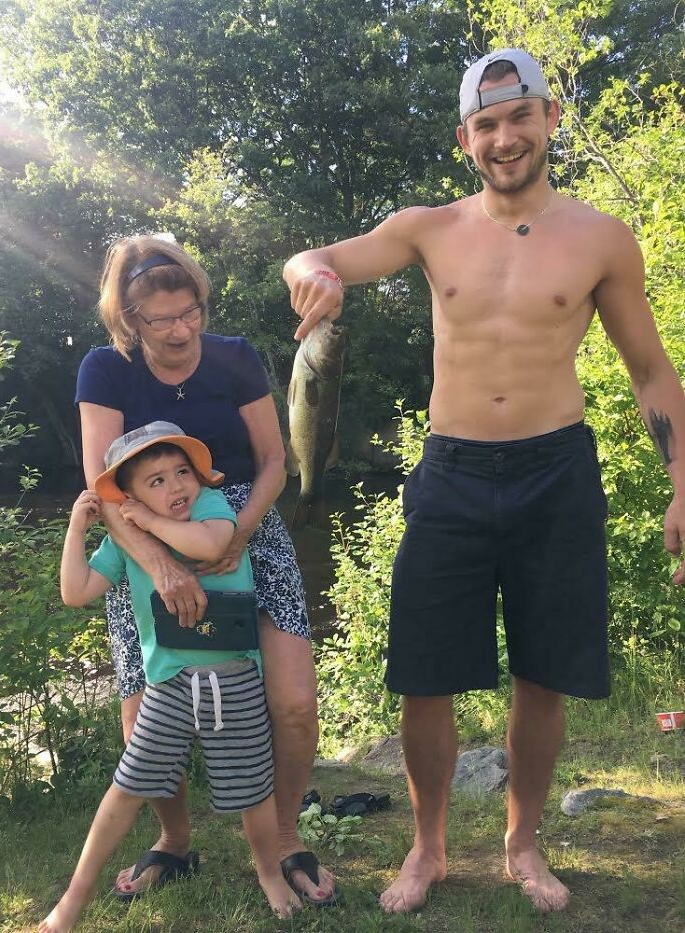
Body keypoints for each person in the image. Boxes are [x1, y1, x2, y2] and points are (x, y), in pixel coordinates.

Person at [283, 48, 685, 914]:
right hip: (452, 471)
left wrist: (682, 478)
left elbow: (650, 370)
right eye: (486, 124)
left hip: (556, 469)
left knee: (544, 672)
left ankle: (522, 842)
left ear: (550, 118)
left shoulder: (602, 238)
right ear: (465, 139)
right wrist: (311, 274)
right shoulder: (427, 228)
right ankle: (427, 847)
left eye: (519, 117)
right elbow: (315, 256)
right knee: (425, 673)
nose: (505, 138)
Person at [75, 236, 337, 905]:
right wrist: (164, 564)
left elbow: (275, 460)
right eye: (162, 319)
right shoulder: (105, 369)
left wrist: (238, 534)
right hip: (143, 537)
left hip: (246, 523)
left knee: (294, 703)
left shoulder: (236, 356)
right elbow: (102, 486)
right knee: (143, 719)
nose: (181, 330)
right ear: (130, 318)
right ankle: (173, 840)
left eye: (190, 312)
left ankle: (284, 838)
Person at [40, 423, 302, 932]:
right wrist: (77, 529)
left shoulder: (212, 508)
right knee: (128, 785)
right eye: (155, 481)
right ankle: (73, 899)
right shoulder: (126, 545)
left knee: (253, 790)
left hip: (235, 679)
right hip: (168, 686)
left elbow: (211, 545)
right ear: (129, 497)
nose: (176, 486)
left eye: (182, 472)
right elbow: (75, 591)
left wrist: (147, 520)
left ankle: (270, 874)